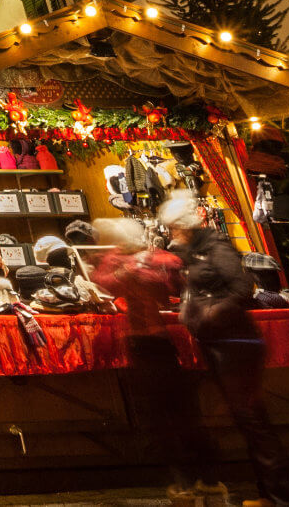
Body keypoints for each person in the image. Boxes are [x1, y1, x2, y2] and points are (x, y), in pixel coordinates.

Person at [164, 193, 289, 507]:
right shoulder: (194, 252)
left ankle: (283, 497)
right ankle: (270, 494)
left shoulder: (215, 248)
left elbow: (243, 288)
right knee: (248, 419)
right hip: (219, 343)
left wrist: (213, 312)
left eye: (173, 228)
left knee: (253, 420)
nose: (171, 234)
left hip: (236, 343)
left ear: (184, 226)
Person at [89, 216, 198, 507]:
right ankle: (189, 480)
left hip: (149, 342)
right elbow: (105, 282)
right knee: (171, 412)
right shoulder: (126, 259)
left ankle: (187, 482)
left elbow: (170, 281)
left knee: (167, 412)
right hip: (150, 341)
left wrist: (136, 267)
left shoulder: (141, 259)